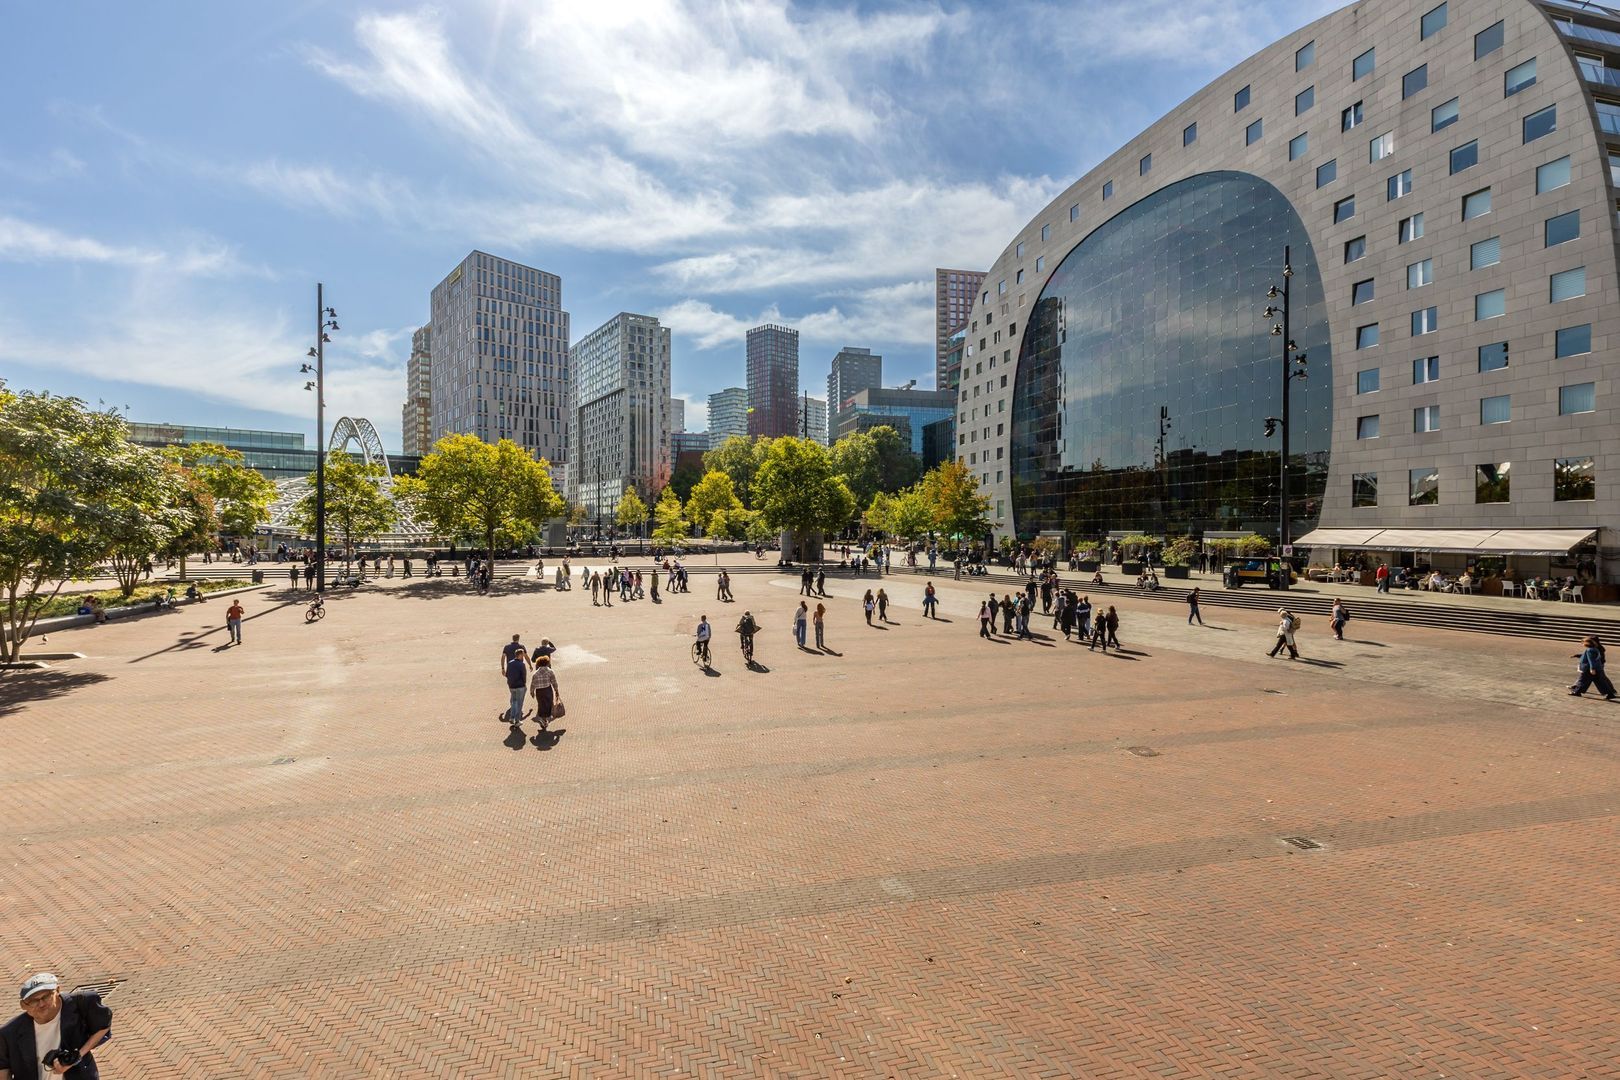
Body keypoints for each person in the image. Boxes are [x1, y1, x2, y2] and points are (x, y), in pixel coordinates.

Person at [2, 973, 113, 1080]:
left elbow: (103, 1026)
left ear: (58, 991)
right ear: (23, 1005)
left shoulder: (82, 1003)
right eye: (33, 1001)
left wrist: (78, 1055)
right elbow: (3, 1071)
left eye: (46, 996)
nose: (41, 1004)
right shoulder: (9, 1034)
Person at [529, 654, 561, 729]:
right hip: (547, 690)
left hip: (539, 691)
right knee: (549, 704)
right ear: (547, 663)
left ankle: (543, 719)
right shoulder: (550, 671)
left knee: (541, 704)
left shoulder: (535, 673)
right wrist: (556, 690)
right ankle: (545, 719)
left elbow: (533, 684)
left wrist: (532, 692)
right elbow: (554, 682)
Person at [504, 646, 529, 724]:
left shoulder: (510, 663)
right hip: (520, 686)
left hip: (511, 685)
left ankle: (512, 718)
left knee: (514, 702)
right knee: (519, 703)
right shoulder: (522, 664)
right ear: (520, 655)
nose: (523, 656)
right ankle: (517, 720)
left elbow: (507, 674)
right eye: (523, 655)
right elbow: (524, 676)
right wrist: (524, 684)